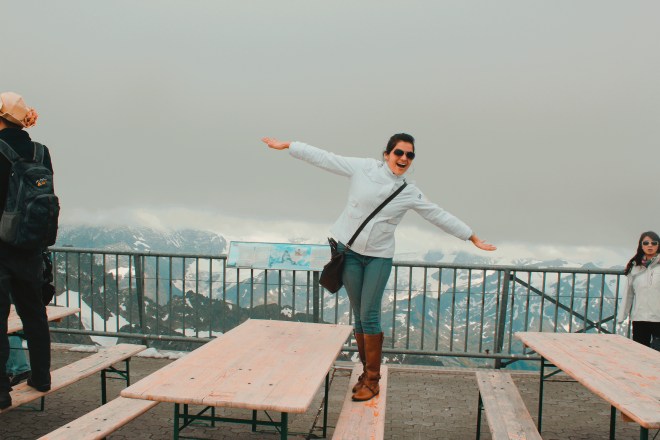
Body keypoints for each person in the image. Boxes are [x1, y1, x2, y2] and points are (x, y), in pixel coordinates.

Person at [262, 134, 496, 401]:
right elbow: (327, 159)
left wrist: (471, 236)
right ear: (386, 154)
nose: (404, 158)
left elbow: (437, 214)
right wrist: (291, 146)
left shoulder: (409, 191)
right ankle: (365, 374)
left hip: (378, 258)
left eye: (410, 155)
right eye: (399, 153)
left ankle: (372, 380)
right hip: (348, 253)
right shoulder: (363, 168)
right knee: (359, 315)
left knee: (370, 314)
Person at [0, 92, 54, 409]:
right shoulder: (41, 152)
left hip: (1, 246)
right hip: (31, 246)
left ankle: (1, 393)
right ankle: (41, 376)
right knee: (34, 315)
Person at [618, 231, 660, 348]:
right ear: (641, 246)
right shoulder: (635, 267)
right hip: (640, 318)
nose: (650, 245)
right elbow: (629, 294)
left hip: (658, 318)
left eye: (654, 243)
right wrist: (622, 316)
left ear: (658, 245)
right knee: (641, 353)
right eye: (646, 243)